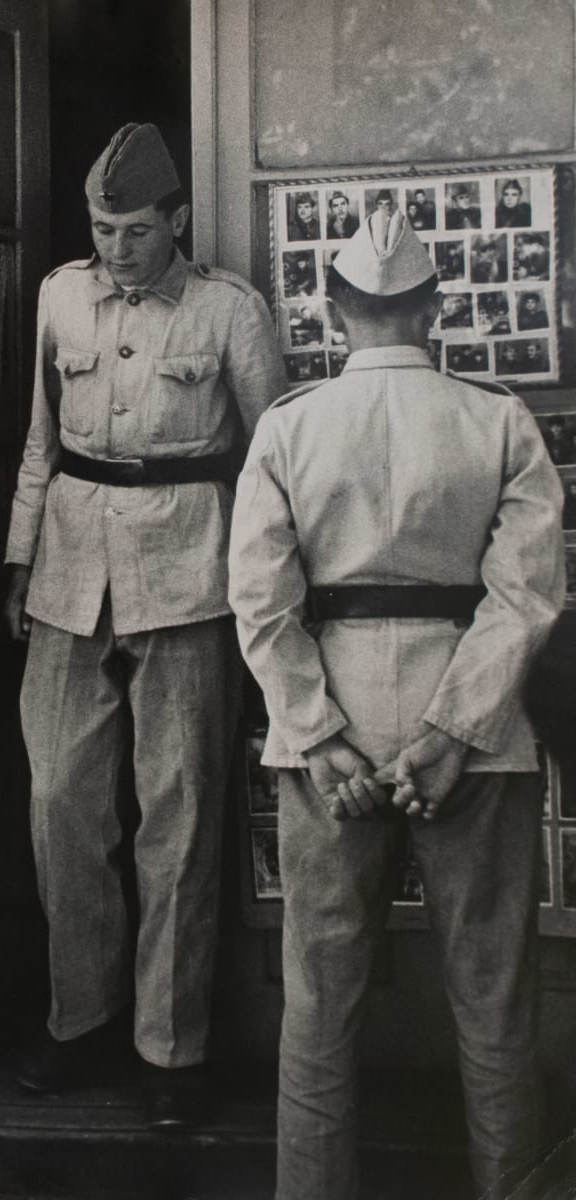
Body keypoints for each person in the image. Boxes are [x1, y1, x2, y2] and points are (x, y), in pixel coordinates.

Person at [229, 207, 564, 1200]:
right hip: (477, 740)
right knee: (494, 1003)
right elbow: (525, 598)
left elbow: (258, 598)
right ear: (432, 307)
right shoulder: (497, 418)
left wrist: (318, 735)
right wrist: (450, 734)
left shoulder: (290, 428)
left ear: (335, 311)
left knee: (319, 1007)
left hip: (328, 739)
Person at [3, 122, 284, 1129]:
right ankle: (77, 1020)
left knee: (180, 813)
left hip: (186, 576)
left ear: (176, 220)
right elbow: (42, 440)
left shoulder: (227, 311)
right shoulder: (58, 295)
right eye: (99, 227)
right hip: (71, 574)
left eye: (132, 230)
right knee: (60, 806)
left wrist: (260, 590)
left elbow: (270, 463)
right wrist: (19, 557)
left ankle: (172, 1047)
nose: (113, 249)